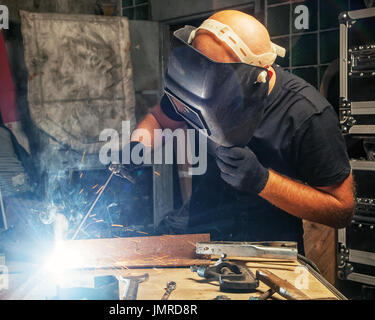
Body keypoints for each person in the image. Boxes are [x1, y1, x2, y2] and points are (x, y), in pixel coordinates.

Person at [111, 10, 354, 253]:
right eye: (199, 66)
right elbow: (160, 119)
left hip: (267, 253)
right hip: (201, 238)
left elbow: (340, 210)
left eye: (217, 78)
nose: (203, 82)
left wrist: (263, 181)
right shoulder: (196, 83)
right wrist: (139, 146)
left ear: (255, 76)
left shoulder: (306, 114)